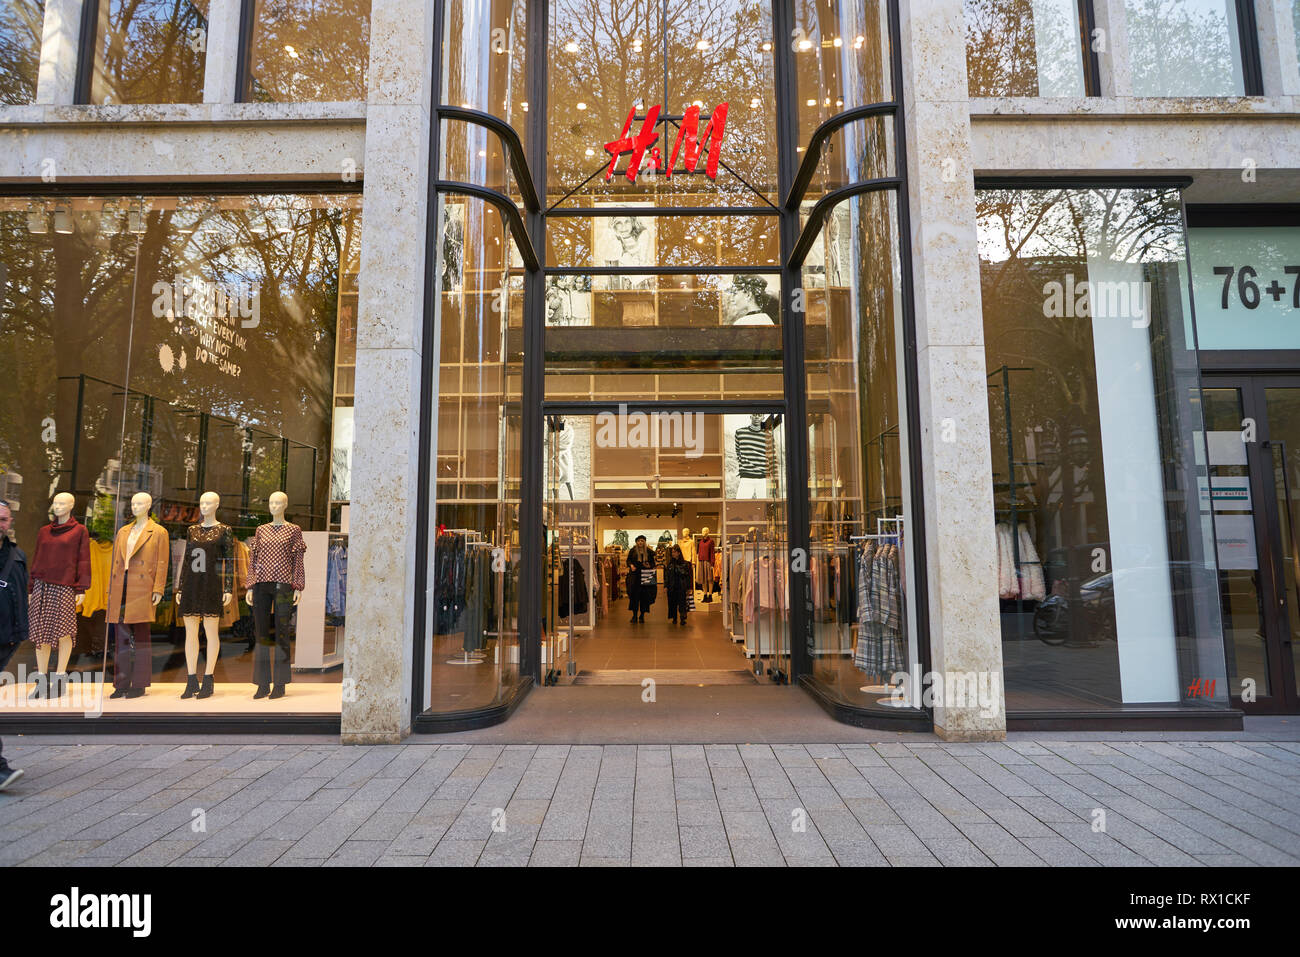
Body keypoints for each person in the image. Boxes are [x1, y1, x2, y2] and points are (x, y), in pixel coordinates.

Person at [0, 500, 28, 789]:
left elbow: (20, 594)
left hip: (5, 638)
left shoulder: (16, 556)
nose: (1, 524)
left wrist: (19, 633)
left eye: (5, 519)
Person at [626, 534, 656, 624]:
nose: (640, 542)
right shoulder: (633, 551)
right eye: (639, 541)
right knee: (634, 596)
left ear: (644, 542)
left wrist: (649, 565)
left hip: (646, 576)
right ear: (636, 542)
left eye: (642, 541)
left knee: (644, 597)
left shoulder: (649, 552)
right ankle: (634, 615)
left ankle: (642, 615)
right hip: (635, 576)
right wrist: (631, 565)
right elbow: (628, 560)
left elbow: (653, 563)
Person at [663, 544, 692, 627]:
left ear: (679, 553)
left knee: (682, 603)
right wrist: (665, 586)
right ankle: (674, 618)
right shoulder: (670, 564)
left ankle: (682, 618)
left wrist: (689, 587)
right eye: (672, 552)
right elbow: (667, 576)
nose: (673, 554)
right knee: (672, 603)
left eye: (675, 552)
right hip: (672, 586)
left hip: (681, 586)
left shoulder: (685, 564)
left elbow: (688, 576)